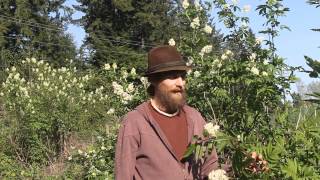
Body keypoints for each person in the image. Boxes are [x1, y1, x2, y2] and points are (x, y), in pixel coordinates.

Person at [115, 45, 219, 180]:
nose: (181, 83)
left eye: (183, 76)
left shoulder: (194, 117)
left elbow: (210, 166)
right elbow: (123, 174)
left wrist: (243, 165)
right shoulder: (135, 121)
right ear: (154, 80)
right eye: (173, 77)